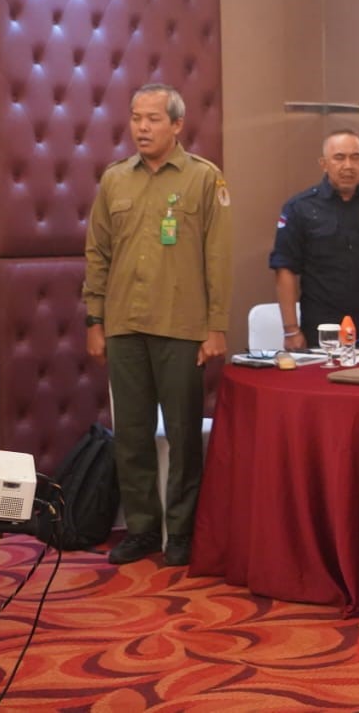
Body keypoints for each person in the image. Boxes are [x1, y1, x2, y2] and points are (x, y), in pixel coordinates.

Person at [83, 83, 233, 566]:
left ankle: (182, 533)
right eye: (135, 118)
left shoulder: (204, 180)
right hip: (124, 324)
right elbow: (98, 253)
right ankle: (143, 529)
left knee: (186, 436)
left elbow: (218, 259)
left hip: (181, 327)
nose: (142, 128)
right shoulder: (115, 181)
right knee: (131, 433)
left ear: (176, 125)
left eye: (152, 119)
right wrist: (95, 319)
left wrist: (215, 328)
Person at [269, 129, 359, 347]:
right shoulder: (300, 207)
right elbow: (285, 269)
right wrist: (291, 330)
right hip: (322, 330)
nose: (348, 166)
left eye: (355, 158)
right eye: (339, 158)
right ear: (323, 164)